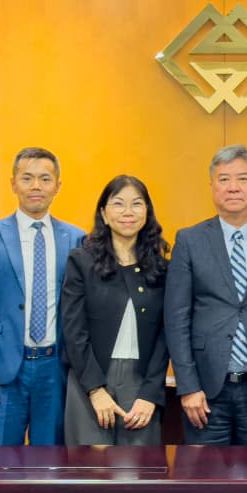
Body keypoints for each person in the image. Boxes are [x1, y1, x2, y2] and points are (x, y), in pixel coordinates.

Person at [165, 146, 247, 445]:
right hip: (204, 392)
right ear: (212, 186)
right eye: (224, 179)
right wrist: (188, 386)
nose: (233, 187)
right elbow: (176, 319)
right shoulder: (189, 240)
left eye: (242, 178)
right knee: (204, 473)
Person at [0, 148, 85, 446]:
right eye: (27, 178)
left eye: (45, 179)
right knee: (2, 463)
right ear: (13, 184)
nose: (36, 186)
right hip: (3, 372)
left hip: (54, 369)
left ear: (57, 186)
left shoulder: (76, 238)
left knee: (51, 463)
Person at [61, 175, 170, 446]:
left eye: (137, 204)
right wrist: (95, 390)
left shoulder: (161, 268)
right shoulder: (81, 262)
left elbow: (166, 335)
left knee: (138, 469)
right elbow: (74, 330)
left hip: (141, 386)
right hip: (90, 380)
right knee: (91, 467)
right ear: (104, 213)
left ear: (147, 212)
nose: (128, 212)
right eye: (118, 203)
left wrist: (150, 394)